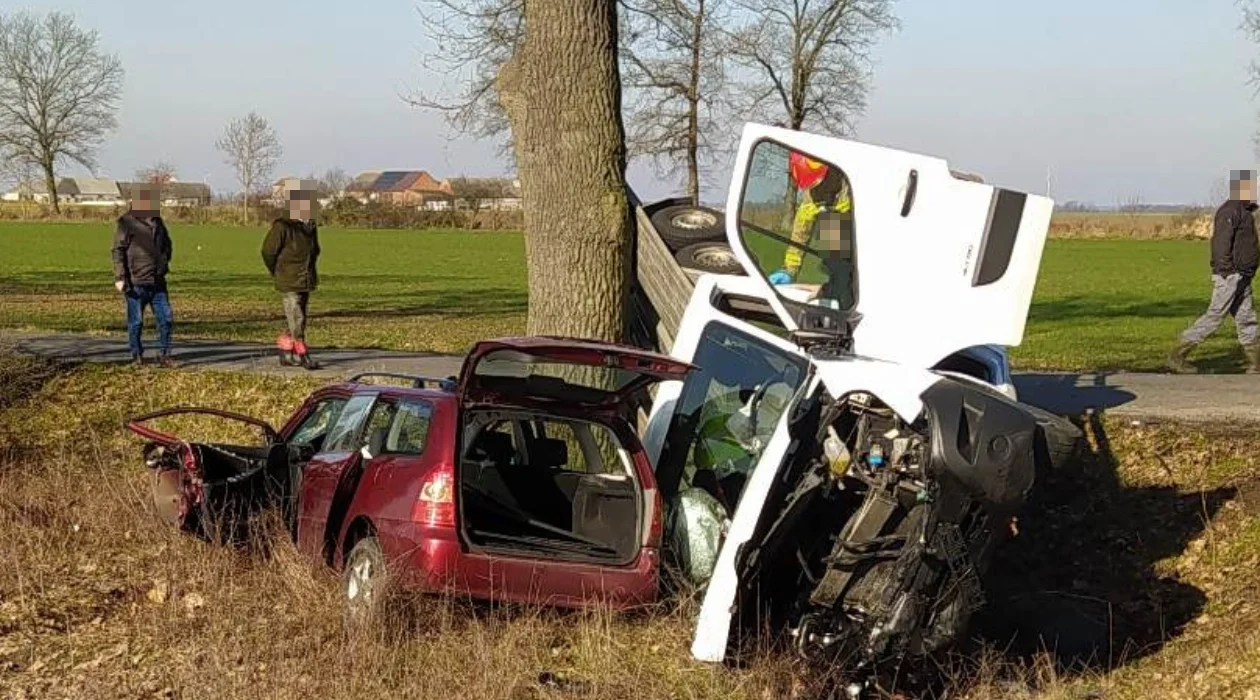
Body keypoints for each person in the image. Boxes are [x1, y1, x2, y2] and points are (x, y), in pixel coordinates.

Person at [1169, 170, 1260, 374]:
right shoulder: (1230, 211)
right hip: (1231, 276)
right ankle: (1178, 355)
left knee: (1247, 318)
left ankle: (1257, 363)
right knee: (1215, 316)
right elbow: (1221, 244)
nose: (1254, 191)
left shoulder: (1245, 211)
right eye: (1251, 188)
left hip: (1243, 276)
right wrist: (1227, 270)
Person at [768, 151, 853, 288]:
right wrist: (789, 270)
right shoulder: (811, 198)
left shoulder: (850, 183)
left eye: (820, 182)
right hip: (836, 227)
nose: (818, 189)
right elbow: (799, 234)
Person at [111, 185, 175, 367]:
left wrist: (164, 263)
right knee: (136, 322)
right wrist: (120, 277)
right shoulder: (126, 223)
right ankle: (137, 356)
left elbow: (167, 245)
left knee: (166, 319)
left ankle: (164, 355)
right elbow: (118, 250)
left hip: (158, 282)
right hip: (135, 281)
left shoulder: (159, 222)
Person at [262, 180, 321, 369]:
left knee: (299, 316)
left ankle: (285, 348)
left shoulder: (310, 227)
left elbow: (315, 251)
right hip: (288, 278)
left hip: (305, 277)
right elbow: (268, 251)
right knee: (297, 317)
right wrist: (277, 270)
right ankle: (302, 353)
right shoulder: (282, 227)